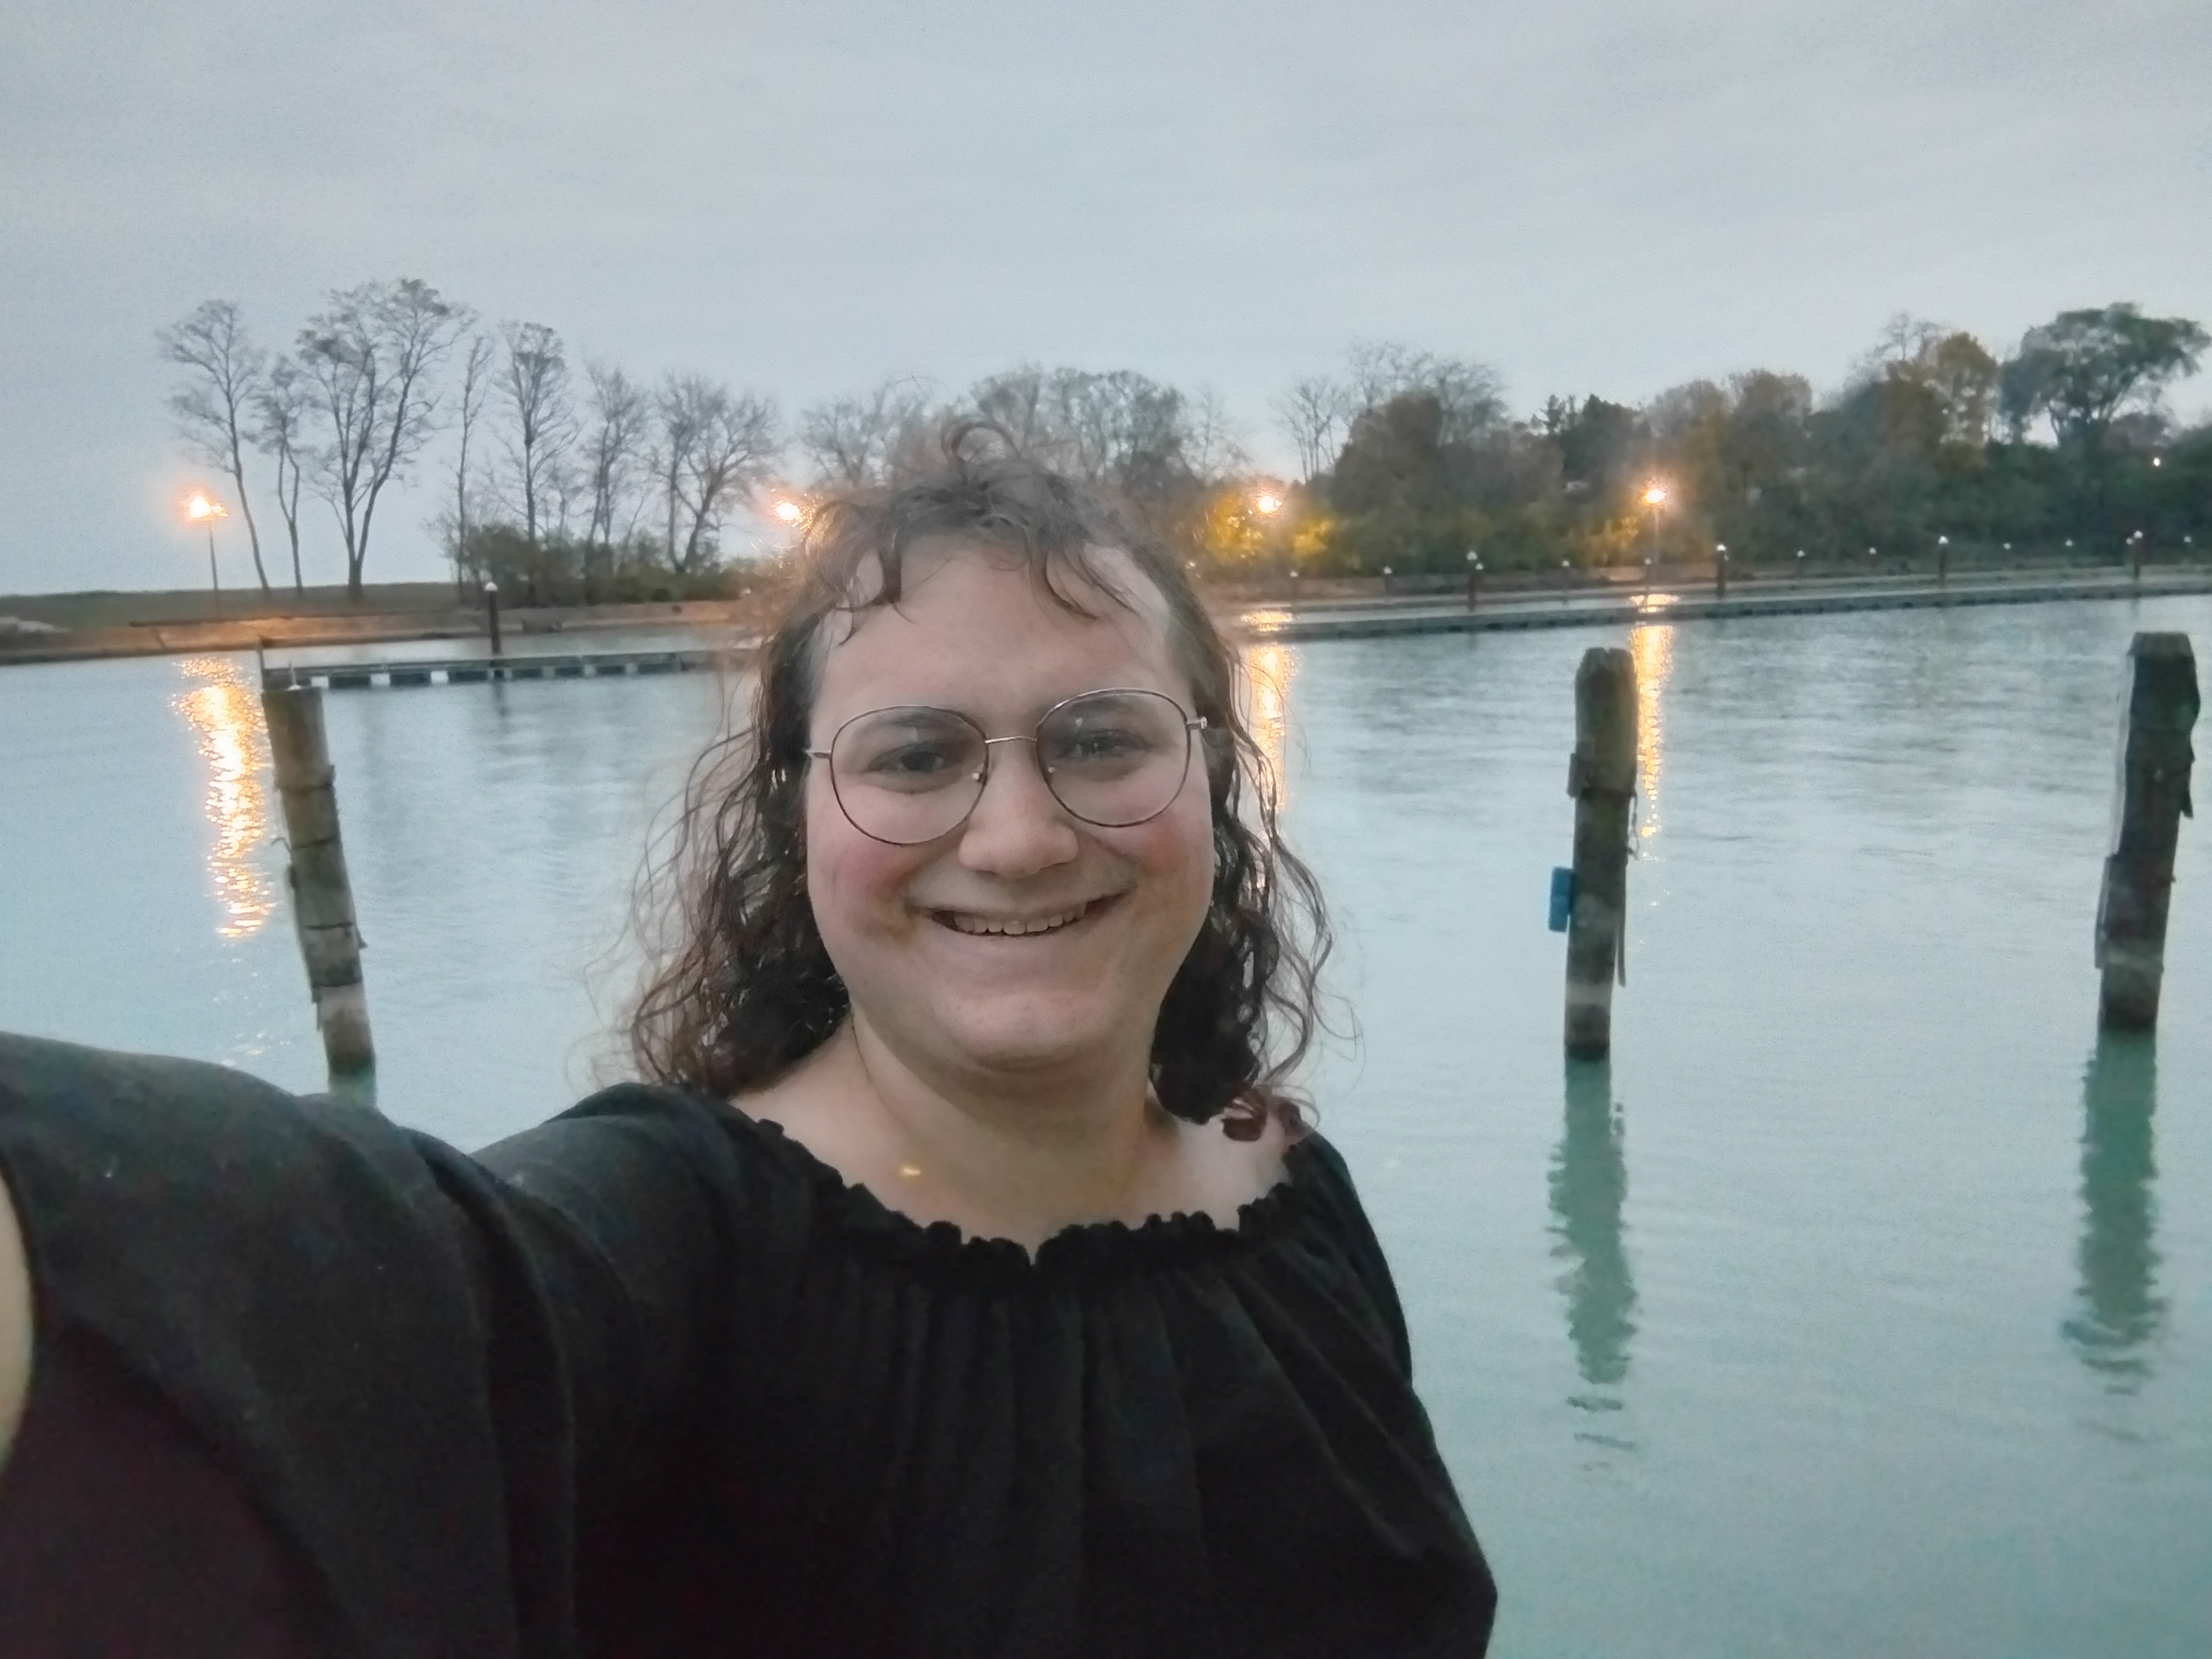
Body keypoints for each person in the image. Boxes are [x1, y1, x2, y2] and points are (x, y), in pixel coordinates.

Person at [0, 443, 1496, 1655]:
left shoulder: (1291, 1196)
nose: (1024, 836)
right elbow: (328, 1285)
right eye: (915, 756)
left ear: (1216, 784)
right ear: (793, 820)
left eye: (1102, 737)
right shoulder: (679, 1241)